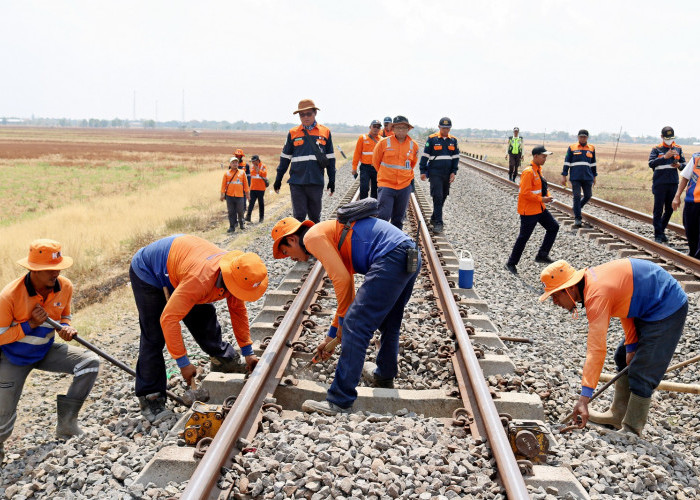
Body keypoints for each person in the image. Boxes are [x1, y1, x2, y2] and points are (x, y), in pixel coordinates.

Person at [270, 216, 421, 415]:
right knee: (389, 322)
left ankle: (339, 400)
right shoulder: (329, 235)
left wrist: (344, 325)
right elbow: (346, 285)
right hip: (408, 254)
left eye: (285, 251)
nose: (290, 258)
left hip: (392, 256)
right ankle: (384, 376)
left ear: (291, 239)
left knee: (355, 326)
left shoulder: (311, 238)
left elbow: (342, 282)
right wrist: (332, 335)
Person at [539, 258, 687, 436]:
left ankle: (632, 429)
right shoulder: (591, 283)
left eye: (555, 295)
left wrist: (584, 398)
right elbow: (626, 303)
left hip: (666, 306)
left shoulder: (596, 294)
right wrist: (631, 345)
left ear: (570, 288)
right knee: (622, 356)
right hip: (645, 304)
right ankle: (617, 415)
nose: (555, 302)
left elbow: (596, 351)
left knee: (643, 369)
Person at [129, 235, 268, 423]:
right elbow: (169, 320)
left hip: (185, 268)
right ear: (228, 279)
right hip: (149, 271)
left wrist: (248, 352)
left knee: (204, 319)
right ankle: (150, 396)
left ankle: (223, 360)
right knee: (154, 335)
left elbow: (238, 311)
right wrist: (183, 363)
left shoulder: (235, 274)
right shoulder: (200, 280)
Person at [0, 240, 100, 461]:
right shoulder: (8, 296)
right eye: (49, 270)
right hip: (13, 358)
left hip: (44, 351)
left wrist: (66, 327)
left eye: (58, 268)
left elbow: (64, 316)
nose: (55, 273)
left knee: (89, 363)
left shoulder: (65, 286)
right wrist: (30, 325)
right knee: (2, 420)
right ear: (33, 270)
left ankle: (67, 425)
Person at [273, 99, 336, 223]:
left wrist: (332, 180)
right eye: (302, 115)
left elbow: (330, 159)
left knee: (314, 218)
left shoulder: (325, 132)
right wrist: (278, 179)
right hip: (297, 182)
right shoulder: (293, 133)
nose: (305, 117)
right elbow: (285, 158)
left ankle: (313, 242)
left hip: (316, 182)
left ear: (315, 114)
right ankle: (300, 242)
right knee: (299, 217)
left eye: (309, 114)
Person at [505, 146, 559, 274]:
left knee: (553, 227)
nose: (545, 159)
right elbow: (525, 193)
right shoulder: (529, 172)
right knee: (524, 237)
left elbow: (541, 187)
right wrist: (541, 199)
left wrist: (547, 196)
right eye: (543, 156)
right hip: (529, 211)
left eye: (546, 157)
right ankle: (510, 263)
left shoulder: (538, 170)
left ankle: (542, 255)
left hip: (539, 209)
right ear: (535, 156)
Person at [372, 116, 419, 229]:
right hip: (387, 185)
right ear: (393, 129)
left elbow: (412, 164)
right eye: (398, 128)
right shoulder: (383, 143)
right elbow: (375, 162)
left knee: (398, 218)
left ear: (408, 129)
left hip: (404, 186)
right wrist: (386, 175)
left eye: (403, 128)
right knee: (383, 215)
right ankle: (380, 240)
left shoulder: (413, 145)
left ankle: (395, 243)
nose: (401, 130)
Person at [419, 117, 459, 234]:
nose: (445, 130)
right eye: (443, 128)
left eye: (447, 128)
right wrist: (422, 171)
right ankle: (438, 223)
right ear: (439, 127)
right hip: (435, 173)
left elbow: (455, 157)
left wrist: (454, 171)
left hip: (447, 174)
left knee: (444, 196)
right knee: (437, 196)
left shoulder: (453, 141)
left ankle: (433, 217)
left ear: (450, 128)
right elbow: (425, 155)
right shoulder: (432, 139)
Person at [649, 126, 686, 243]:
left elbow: (685, 167)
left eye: (671, 138)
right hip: (660, 183)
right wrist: (665, 157)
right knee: (658, 209)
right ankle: (658, 235)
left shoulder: (678, 149)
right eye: (667, 138)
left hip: (673, 183)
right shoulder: (656, 149)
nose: (669, 140)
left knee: (670, 209)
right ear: (662, 137)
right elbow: (651, 164)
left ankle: (661, 230)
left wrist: (679, 165)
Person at [561, 129, 597, 227]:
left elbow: (593, 164)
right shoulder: (572, 148)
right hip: (575, 177)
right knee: (576, 196)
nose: (582, 138)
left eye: (584, 137)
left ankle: (576, 208)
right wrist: (564, 176)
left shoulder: (592, 148)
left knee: (588, 196)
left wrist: (594, 176)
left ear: (587, 138)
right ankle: (578, 218)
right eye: (581, 136)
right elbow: (567, 162)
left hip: (588, 177)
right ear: (578, 137)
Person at [672, 152, 700, 258]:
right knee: (690, 230)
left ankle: (697, 261)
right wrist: (677, 196)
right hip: (691, 201)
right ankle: (693, 256)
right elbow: (685, 177)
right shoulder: (696, 158)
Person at [352, 120, 382, 199]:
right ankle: (363, 206)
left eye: (378, 127)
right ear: (370, 127)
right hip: (365, 167)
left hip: (377, 168)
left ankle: (373, 207)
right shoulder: (363, 138)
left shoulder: (382, 140)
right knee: (364, 188)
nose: (376, 128)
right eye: (374, 126)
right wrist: (354, 168)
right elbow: (357, 153)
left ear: (380, 129)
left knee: (375, 189)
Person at [220, 157, 250, 233]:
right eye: (233, 162)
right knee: (231, 212)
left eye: (236, 162)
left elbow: (246, 185)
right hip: (229, 196)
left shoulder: (242, 173)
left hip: (240, 195)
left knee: (240, 211)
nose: (235, 164)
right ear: (230, 164)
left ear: (238, 164)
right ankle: (232, 226)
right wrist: (222, 195)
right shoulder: (226, 174)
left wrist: (248, 195)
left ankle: (241, 223)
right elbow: (223, 186)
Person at [246, 155, 267, 223]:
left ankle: (261, 218)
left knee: (261, 203)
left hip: (261, 188)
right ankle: (248, 217)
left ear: (257, 160)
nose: (252, 163)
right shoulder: (251, 167)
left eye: (254, 161)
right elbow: (251, 176)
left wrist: (258, 170)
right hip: (253, 188)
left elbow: (264, 174)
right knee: (251, 203)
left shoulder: (263, 166)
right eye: (252, 162)